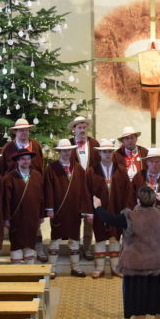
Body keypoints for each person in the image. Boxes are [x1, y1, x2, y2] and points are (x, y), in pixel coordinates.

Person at [94, 187, 160, 319]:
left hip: (136, 265)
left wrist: (97, 206)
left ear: (138, 200)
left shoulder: (129, 216)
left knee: (138, 296)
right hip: (158, 262)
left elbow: (109, 219)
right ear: (154, 200)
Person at [85, 139, 133, 278]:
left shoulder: (121, 170)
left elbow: (128, 191)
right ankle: (99, 268)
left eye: (109, 151)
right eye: (104, 152)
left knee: (115, 239)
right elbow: (86, 192)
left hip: (116, 210)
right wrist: (89, 212)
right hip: (98, 211)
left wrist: (126, 210)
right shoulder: (92, 171)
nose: (107, 154)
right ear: (99, 153)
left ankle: (116, 268)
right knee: (100, 239)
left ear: (113, 153)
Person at [44, 139, 91, 276]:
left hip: (74, 210)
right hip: (58, 210)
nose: (66, 153)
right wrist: (49, 208)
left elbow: (84, 190)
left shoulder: (78, 168)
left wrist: (84, 209)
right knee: (55, 239)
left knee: (75, 239)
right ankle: (52, 269)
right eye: (64, 150)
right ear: (58, 152)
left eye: (69, 150)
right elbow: (48, 189)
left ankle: (75, 267)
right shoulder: (51, 168)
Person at [3, 148, 45, 265]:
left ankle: (30, 272)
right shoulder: (10, 177)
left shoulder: (37, 175)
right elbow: (6, 200)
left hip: (33, 218)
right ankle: (17, 274)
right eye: (23, 159)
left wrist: (41, 215)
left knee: (30, 244)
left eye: (28, 159)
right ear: (17, 161)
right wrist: (6, 218)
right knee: (16, 245)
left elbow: (42, 197)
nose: (26, 161)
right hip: (16, 218)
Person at [68, 116, 100, 261]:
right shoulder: (68, 144)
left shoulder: (94, 143)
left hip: (90, 186)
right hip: (73, 186)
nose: (82, 130)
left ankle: (87, 247)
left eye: (84, 127)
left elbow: (98, 164)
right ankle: (74, 248)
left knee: (89, 217)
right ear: (73, 129)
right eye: (79, 127)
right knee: (73, 218)